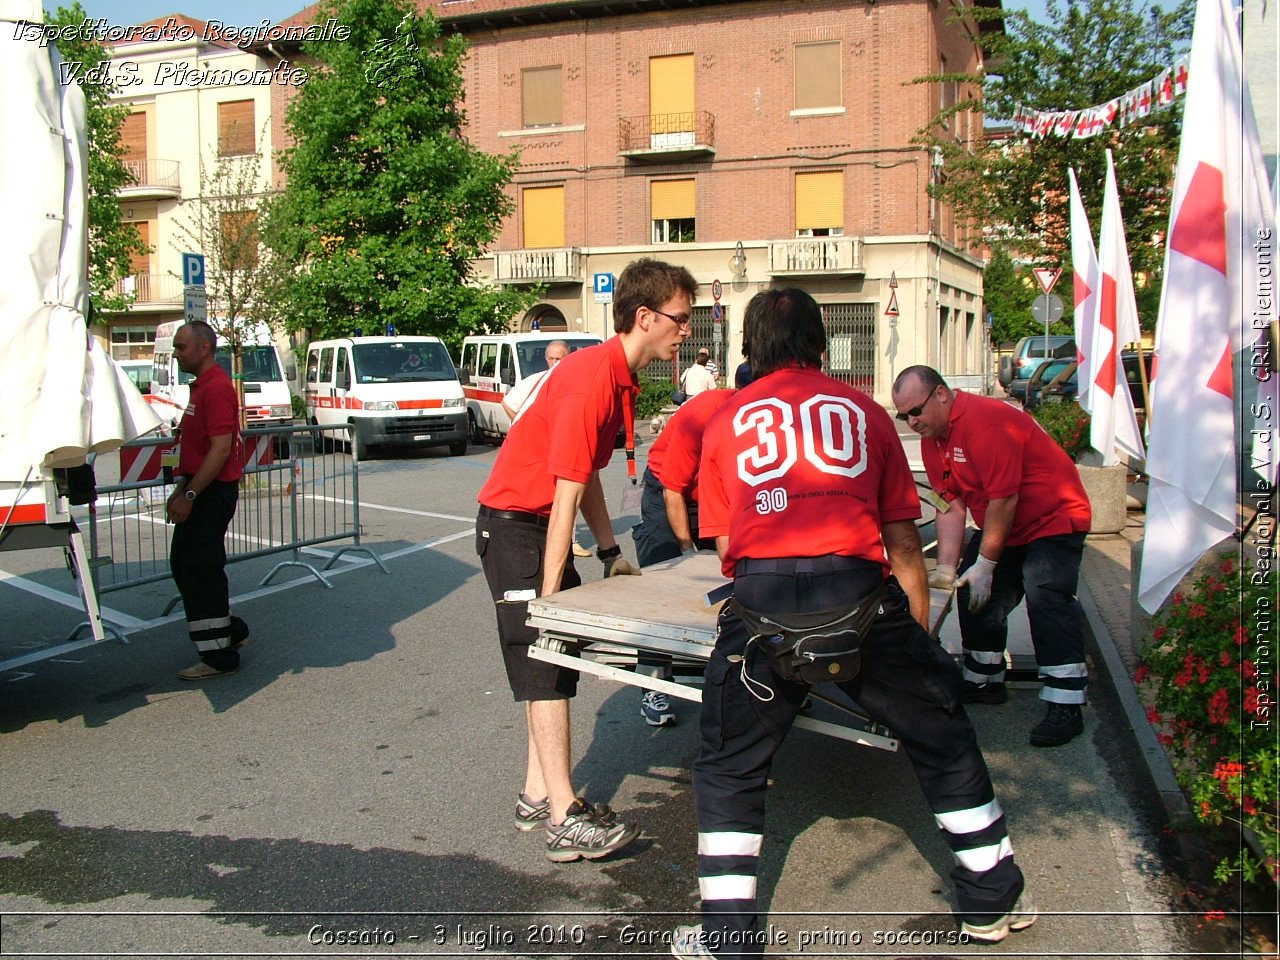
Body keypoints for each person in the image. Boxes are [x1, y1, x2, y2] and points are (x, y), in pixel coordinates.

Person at [673, 289, 1033, 958]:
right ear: (822, 343)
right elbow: (903, 543)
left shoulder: (725, 421)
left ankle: (728, 938)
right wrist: (918, 638)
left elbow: (726, 547)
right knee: (944, 733)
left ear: (750, 345)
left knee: (728, 765)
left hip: (763, 609)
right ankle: (991, 899)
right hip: (861, 601)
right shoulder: (868, 414)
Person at [476, 257, 698, 863]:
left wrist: (609, 552)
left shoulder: (618, 378)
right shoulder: (588, 378)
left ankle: (533, 794)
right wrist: (550, 589)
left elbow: (588, 477)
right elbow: (566, 488)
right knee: (542, 660)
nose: (687, 329)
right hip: (517, 527)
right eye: (680, 318)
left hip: (538, 525)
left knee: (556, 660)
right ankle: (562, 818)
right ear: (645, 317)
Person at [891, 366, 1092, 748]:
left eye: (915, 410)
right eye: (903, 416)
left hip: (1052, 518)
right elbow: (949, 502)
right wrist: (948, 569)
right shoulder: (935, 440)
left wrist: (987, 563)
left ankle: (1066, 701)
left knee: (1045, 595)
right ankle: (984, 678)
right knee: (972, 591)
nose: (911, 421)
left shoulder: (987, 424)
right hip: (1008, 525)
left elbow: (1005, 498)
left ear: (942, 395)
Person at [631, 385, 734, 726]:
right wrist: (687, 551)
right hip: (670, 494)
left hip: (712, 494)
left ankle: (727, 675)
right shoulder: (704, 416)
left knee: (722, 586)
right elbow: (674, 489)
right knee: (666, 585)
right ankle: (654, 682)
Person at [165, 321, 248, 681]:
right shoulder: (201, 388)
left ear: (203, 348)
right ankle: (229, 631)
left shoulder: (215, 389)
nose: (176, 353)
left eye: (182, 347)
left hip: (212, 493)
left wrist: (191, 495)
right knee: (185, 564)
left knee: (200, 569)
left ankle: (218, 656)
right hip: (200, 489)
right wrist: (181, 487)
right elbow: (198, 448)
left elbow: (220, 450)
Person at [501, 340, 593, 559]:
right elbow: (508, 403)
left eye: (558, 358)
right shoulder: (536, 379)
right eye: (550, 358)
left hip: (565, 449)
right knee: (554, 496)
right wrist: (526, 428)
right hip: (544, 452)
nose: (554, 363)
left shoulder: (573, 381)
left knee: (569, 493)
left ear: (568, 357)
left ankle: (570, 541)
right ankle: (554, 541)